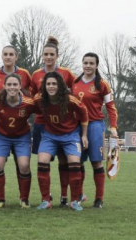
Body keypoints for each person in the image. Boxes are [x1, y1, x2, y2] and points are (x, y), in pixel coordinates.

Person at [31, 36, 76, 207]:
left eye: (51, 54)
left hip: (62, 124)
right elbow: (31, 96)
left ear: (57, 55)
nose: (48, 57)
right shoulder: (35, 74)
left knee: (64, 160)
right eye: (46, 54)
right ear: (42, 56)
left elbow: (75, 90)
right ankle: (46, 195)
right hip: (42, 123)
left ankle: (65, 196)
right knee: (43, 161)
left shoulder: (66, 73)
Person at [34, 71, 88, 211]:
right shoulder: (39, 99)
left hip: (70, 136)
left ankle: (74, 200)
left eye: (54, 84)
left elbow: (84, 112)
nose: (51, 86)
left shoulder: (70, 99)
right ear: (44, 86)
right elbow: (27, 106)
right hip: (50, 135)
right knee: (42, 161)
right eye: (48, 84)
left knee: (75, 162)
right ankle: (45, 200)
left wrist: (84, 135)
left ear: (60, 86)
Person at [0, 45, 32, 206]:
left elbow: (36, 101)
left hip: (21, 131)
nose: (8, 57)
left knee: (24, 165)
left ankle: (24, 199)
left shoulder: (25, 75)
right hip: (1, 127)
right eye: (5, 54)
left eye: (11, 54)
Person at [72, 52, 118, 209]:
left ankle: (99, 199)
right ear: (82, 64)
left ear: (96, 65)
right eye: (85, 63)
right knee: (77, 161)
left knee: (96, 162)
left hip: (95, 126)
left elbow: (111, 107)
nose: (88, 66)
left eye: (91, 63)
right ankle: (79, 195)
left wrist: (113, 126)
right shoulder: (75, 82)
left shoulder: (102, 84)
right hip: (76, 127)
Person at [0, 73, 36, 209]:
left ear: (20, 86)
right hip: (2, 136)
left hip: (22, 137)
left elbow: (42, 110)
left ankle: (24, 199)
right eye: (9, 84)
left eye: (15, 84)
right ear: (4, 86)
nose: (12, 87)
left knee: (24, 166)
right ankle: (0, 199)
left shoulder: (28, 103)